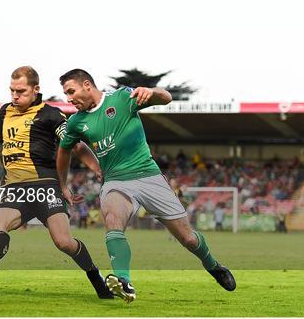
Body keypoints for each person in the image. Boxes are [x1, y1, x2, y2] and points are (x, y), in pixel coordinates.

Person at [56, 69, 236, 303]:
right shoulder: (76, 122)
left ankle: (213, 265)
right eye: (65, 94)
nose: (68, 98)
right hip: (116, 181)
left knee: (189, 239)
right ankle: (123, 281)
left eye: (71, 91)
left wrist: (151, 91)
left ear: (87, 85)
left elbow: (166, 98)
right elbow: (64, 151)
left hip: (149, 176)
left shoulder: (122, 98)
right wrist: (63, 184)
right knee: (113, 221)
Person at [0, 66, 113, 299]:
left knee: (64, 242)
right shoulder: (4, 111)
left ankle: (97, 280)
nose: (15, 96)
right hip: (15, 188)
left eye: (21, 91)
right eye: (12, 90)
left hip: (45, 186)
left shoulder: (51, 115)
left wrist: (97, 168)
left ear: (36, 89)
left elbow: (75, 145)